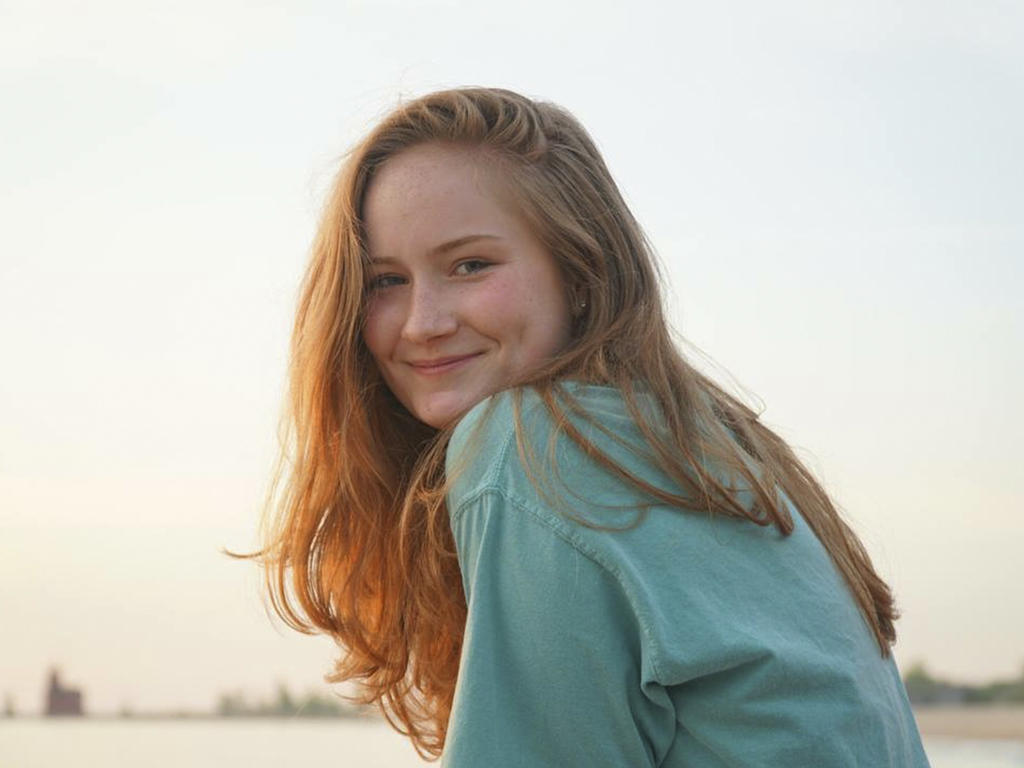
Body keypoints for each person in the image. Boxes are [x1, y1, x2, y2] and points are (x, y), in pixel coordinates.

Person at [255, 87, 930, 766]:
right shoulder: (710, 444)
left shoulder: (536, 444)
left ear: (579, 270)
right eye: (384, 282)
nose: (423, 321)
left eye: (470, 265)